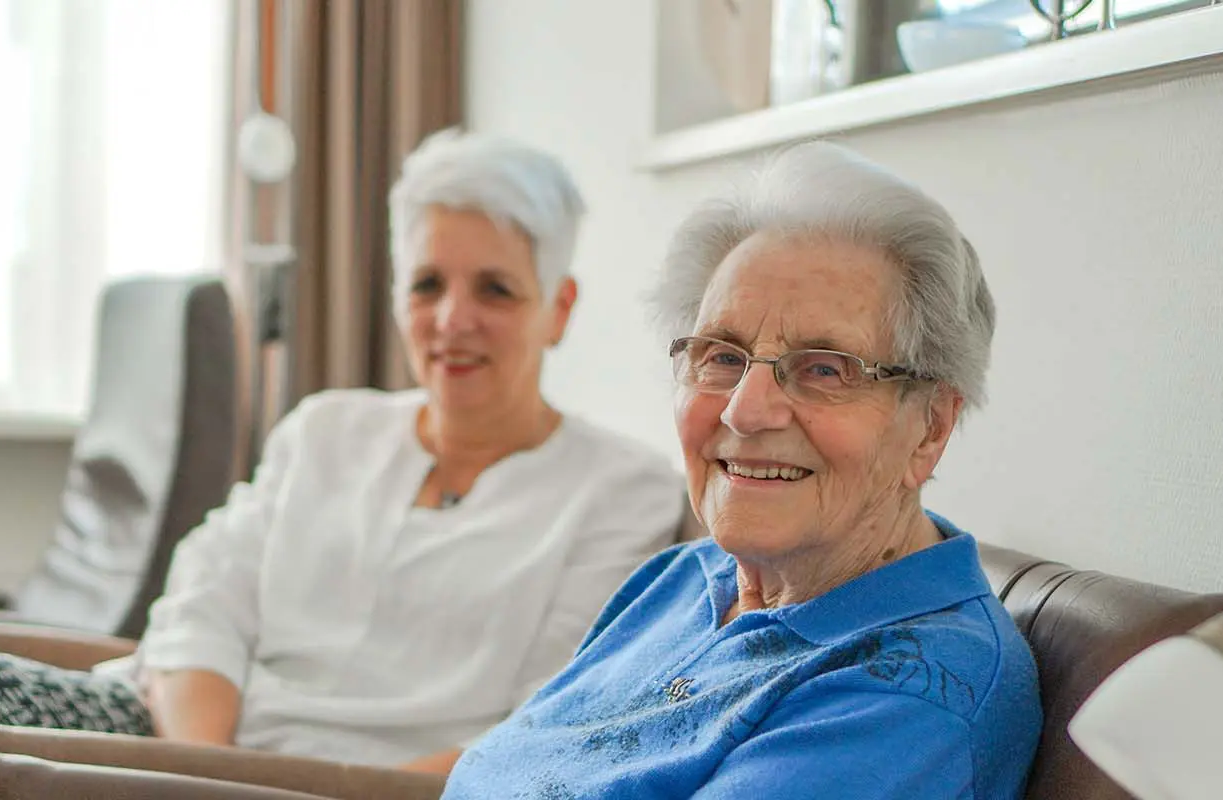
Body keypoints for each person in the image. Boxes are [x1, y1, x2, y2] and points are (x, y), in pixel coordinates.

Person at [0, 130, 685, 800]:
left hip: (369, 787)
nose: (452, 319)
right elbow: (205, 597)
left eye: (494, 289)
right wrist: (200, 775)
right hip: (188, 742)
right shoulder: (327, 430)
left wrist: (270, 791)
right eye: (427, 285)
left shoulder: (623, 493)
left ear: (559, 308)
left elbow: (545, 727)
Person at [440, 141, 1041, 798]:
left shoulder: (912, 689)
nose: (746, 410)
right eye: (721, 356)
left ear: (930, 427)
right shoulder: (681, 579)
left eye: (824, 369)